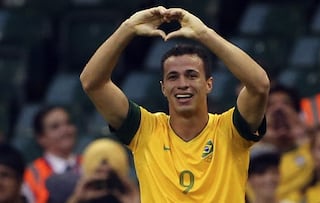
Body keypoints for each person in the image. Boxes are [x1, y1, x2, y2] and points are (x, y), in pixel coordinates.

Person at [80, 6, 269, 202]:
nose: (182, 84)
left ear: (209, 84)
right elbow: (92, 83)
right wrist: (127, 28)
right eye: (173, 77)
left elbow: (260, 85)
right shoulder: (145, 130)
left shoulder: (231, 131)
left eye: (192, 75)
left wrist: (205, 34)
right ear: (163, 88)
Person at [23, 105, 81, 203]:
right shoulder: (31, 174)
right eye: (55, 127)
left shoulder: (89, 164)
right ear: (41, 138)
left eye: (68, 123)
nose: (65, 130)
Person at [66, 138, 139, 203]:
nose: (105, 181)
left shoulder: (129, 195)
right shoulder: (69, 189)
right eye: (98, 181)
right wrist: (78, 199)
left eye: (111, 179)